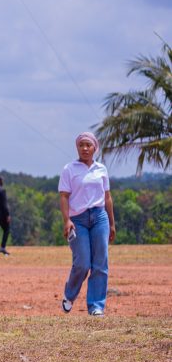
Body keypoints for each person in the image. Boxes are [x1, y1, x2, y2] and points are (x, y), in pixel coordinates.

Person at [58, 131, 115, 317]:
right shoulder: (69, 169)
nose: (85, 148)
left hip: (99, 217)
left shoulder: (101, 169)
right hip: (78, 220)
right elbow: (64, 197)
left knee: (100, 263)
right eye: (81, 145)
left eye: (88, 145)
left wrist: (112, 224)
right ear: (77, 147)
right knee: (82, 263)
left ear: (94, 148)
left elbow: (107, 198)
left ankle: (96, 306)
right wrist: (66, 220)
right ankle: (70, 294)